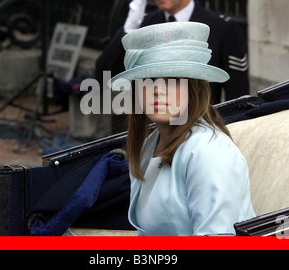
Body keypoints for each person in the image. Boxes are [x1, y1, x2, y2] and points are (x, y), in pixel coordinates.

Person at [108, 21, 255, 236]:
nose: (157, 90)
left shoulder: (209, 151)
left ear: (193, 88)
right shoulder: (151, 144)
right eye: (147, 80)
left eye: (172, 79)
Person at [96, 0, 249, 105]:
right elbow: (104, 75)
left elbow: (237, 97)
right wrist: (129, 29)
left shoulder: (221, 28)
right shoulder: (147, 24)